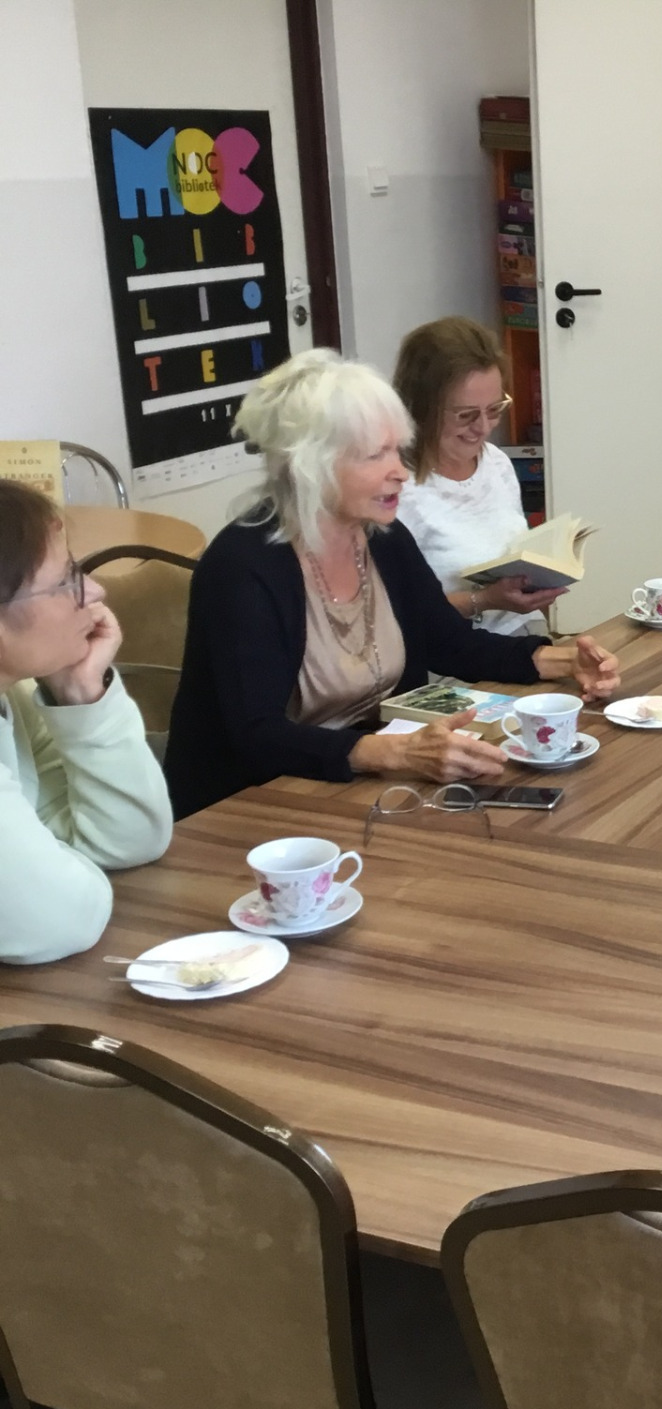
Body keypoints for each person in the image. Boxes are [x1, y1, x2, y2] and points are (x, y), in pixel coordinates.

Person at [165, 351, 619, 818]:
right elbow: (256, 734)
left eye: (397, 451)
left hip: (360, 788)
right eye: (376, 455)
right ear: (311, 465)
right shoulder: (242, 568)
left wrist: (559, 660)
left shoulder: (382, 538)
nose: (400, 471)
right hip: (250, 807)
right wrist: (395, 753)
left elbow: (449, 643)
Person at [1, 479, 171, 964]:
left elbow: (129, 840)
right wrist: (58, 871)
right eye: (65, 580)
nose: (95, 590)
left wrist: (80, 693)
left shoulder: (13, 697)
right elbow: (61, 921)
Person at [392, 316, 562, 635]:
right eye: (466, 415)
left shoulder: (496, 462)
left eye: (495, 409)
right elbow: (396, 612)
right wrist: (484, 600)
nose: (483, 427)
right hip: (453, 648)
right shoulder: (397, 489)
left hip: (522, 631)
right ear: (422, 408)